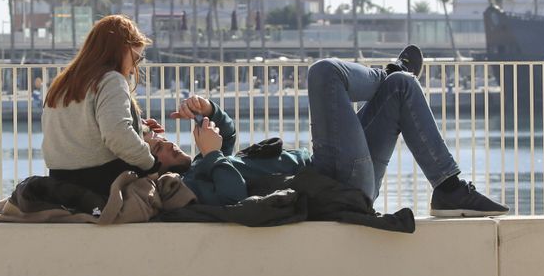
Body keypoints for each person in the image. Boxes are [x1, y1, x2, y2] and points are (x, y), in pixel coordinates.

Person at [147, 46, 509, 216]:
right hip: (332, 182)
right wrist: (212, 154)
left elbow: (227, 136)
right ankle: (386, 73)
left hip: (337, 174)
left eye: (162, 139)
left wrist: (209, 110)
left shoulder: (201, 165)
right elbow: (232, 199)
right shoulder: (192, 184)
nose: (167, 143)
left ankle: (448, 188)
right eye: (158, 149)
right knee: (324, 72)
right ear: (157, 169)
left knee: (403, 87)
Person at [40, 15, 160, 196]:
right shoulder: (111, 80)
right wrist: (151, 165)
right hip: (99, 181)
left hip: (59, 179)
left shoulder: (63, 83)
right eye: (136, 59)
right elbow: (117, 135)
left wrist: (140, 128)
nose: (134, 68)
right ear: (122, 49)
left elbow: (82, 128)